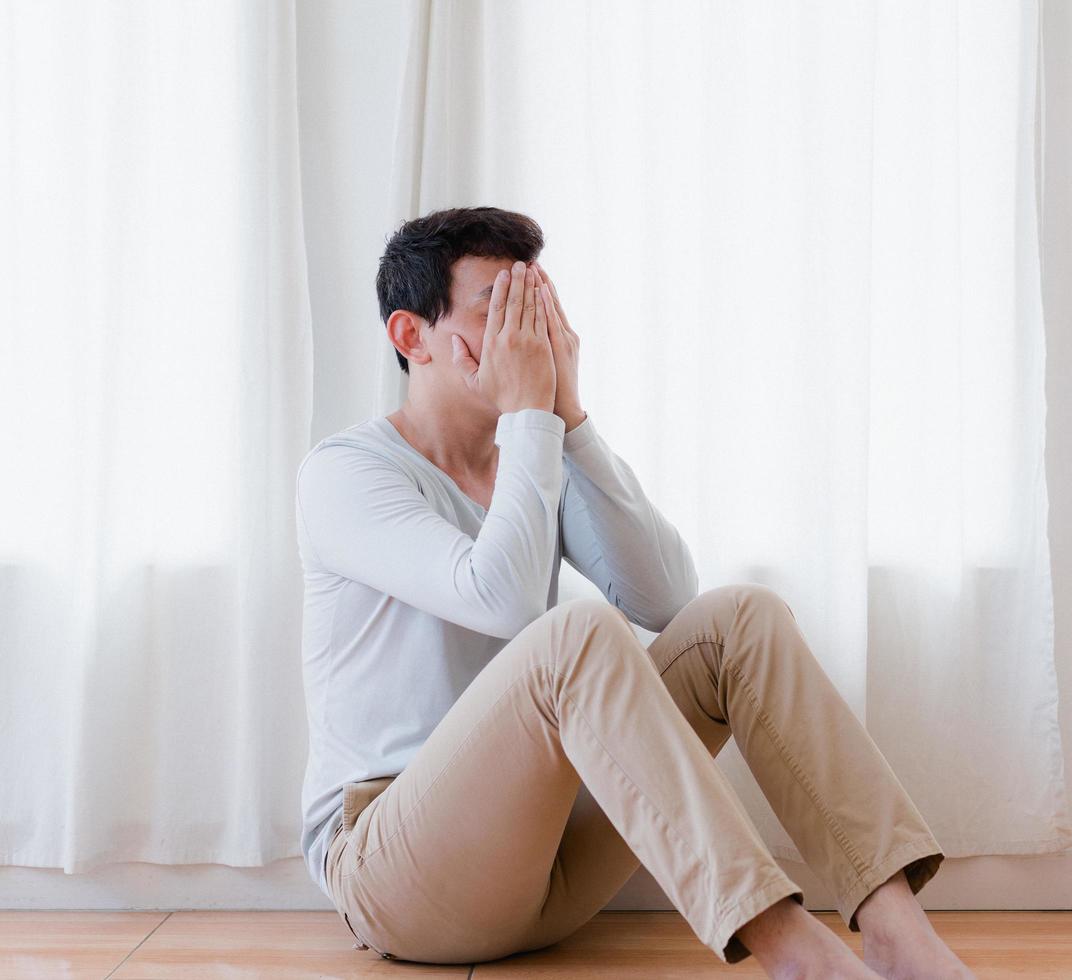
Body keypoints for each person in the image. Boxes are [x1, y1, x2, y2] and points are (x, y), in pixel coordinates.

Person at [295, 206, 970, 978]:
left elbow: (664, 597)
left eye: (538, 305)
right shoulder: (345, 474)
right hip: (397, 873)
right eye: (499, 308)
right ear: (410, 336)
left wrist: (567, 418)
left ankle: (897, 932)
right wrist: (526, 418)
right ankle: (794, 957)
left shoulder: (531, 449)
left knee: (736, 618)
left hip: (544, 870)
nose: (529, 332)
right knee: (572, 635)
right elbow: (505, 602)